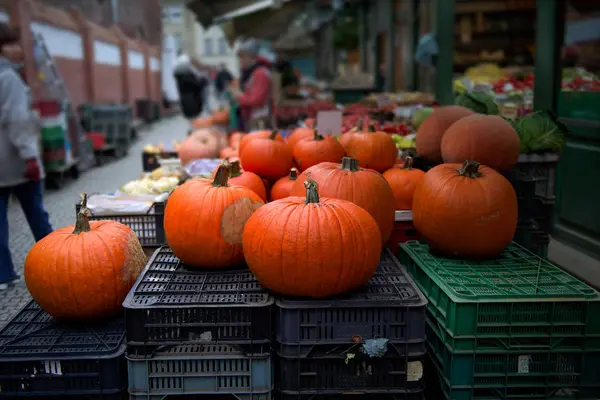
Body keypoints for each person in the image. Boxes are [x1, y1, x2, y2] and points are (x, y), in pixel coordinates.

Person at [0, 22, 53, 290]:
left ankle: (3, 275)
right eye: (14, 43)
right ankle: (57, 260)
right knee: (36, 212)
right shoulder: (8, 78)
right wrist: (30, 157)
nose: (20, 49)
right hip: (15, 161)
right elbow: (17, 121)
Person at [230, 39, 273, 131]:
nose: (240, 60)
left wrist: (239, 96)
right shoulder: (253, 72)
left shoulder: (260, 73)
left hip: (259, 122)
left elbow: (257, 100)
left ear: (251, 56)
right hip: (254, 121)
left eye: (242, 56)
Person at [173, 51, 209, 127]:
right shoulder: (186, 76)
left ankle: (193, 133)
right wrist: (203, 81)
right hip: (192, 100)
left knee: (192, 121)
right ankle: (193, 135)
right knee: (194, 121)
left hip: (187, 100)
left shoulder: (180, 76)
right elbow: (196, 85)